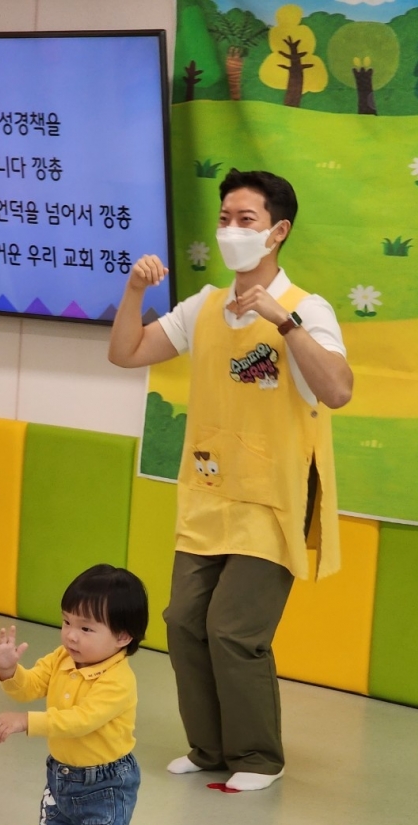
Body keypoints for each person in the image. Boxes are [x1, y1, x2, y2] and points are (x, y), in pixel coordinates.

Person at [108, 168, 353, 792]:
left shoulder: (307, 308)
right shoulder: (204, 306)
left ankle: (258, 757)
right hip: (210, 492)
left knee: (234, 630)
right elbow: (126, 352)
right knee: (184, 622)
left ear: (278, 231)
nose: (231, 230)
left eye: (246, 220)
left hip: (274, 499)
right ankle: (209, 749)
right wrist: (134, 291)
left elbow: (338, 390)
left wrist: (283, 322)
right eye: (224, 219)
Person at [0, 564, 148, 825]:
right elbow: (30, 686)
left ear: (123, 637)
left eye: (86, 629)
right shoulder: (62, 658)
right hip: (61, 779)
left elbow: (80, 721)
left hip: (107, 784)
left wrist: (26, 722)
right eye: (67, 621)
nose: (71, 635)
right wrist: (9, 670)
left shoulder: (118, 681)